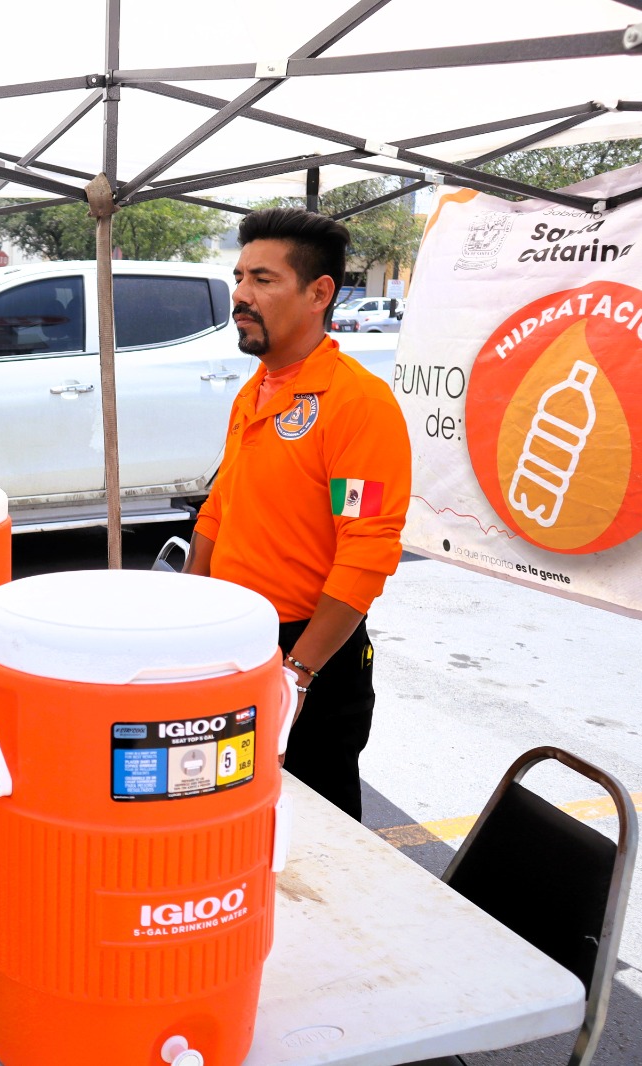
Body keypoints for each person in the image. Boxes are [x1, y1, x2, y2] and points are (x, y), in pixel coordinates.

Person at [184, 208, 411, 822]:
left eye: (262, 279)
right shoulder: (255, 391)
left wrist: (300, 673)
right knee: (231, 821)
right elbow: (219, 510)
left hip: (309, 657)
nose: (240, 295)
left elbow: (366, 548)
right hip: (235, 644)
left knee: (317, 839)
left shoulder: (356, 404)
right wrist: (190, 616)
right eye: (238, 277)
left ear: (319, 293)